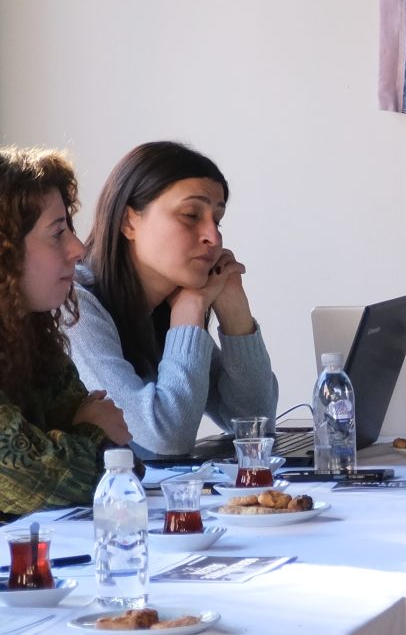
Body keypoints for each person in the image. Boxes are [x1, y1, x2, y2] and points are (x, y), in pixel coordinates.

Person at [66, 143, 277, 459]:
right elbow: (165, 439)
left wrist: (235, 311)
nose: (213, 237)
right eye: (191, 215)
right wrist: (190, 313)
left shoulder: (166, 306)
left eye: (217, 220)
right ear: (128, 222)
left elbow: (254, 423)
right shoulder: (74, 306)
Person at [0, 149, 128, 517]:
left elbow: (120, 457)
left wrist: (81, 437)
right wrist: (89, 432)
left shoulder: (30, 338)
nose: (78, 248)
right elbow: (38, 482)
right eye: (58, 233)